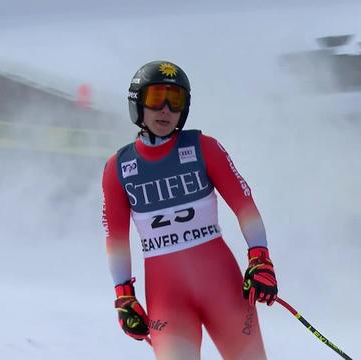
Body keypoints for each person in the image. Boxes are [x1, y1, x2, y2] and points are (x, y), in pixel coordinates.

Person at [101, 60, 278, 359]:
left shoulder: (203, 147)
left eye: (176, 100)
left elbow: (245, 206)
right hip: (168, 299)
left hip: (222, 287)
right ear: (138, 103)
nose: (166, 110)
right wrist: (124, 296)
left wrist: (260, 258)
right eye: (157, 98)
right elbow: (115, 239)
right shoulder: (118, 168)